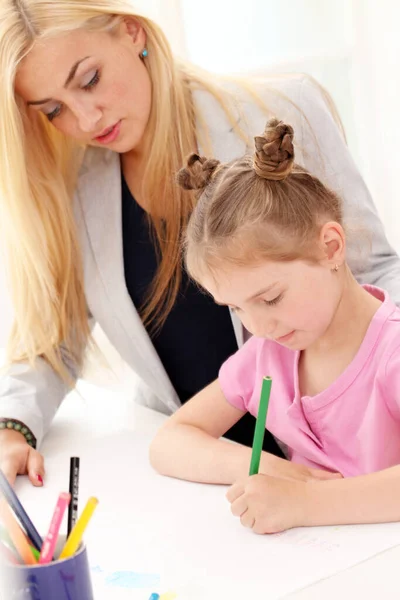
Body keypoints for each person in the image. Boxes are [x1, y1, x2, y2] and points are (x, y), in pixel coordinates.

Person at [1, 1, 400, 488]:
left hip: (343, 464)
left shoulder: (284, 111)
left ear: (131, 33)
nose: (85, 119)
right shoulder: (77, 193)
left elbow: (375, 271)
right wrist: (12, 427)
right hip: (202, 474)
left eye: (89, 80)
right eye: (54, 110)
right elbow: (53, 336)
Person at [150, 118, 400, 534]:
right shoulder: (267, 355)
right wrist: (273, 469)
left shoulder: (391, 351)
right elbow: (169, 442)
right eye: (235, 309)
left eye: (269, 299)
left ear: (331, 248)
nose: (258, 325)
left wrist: (307, 502)